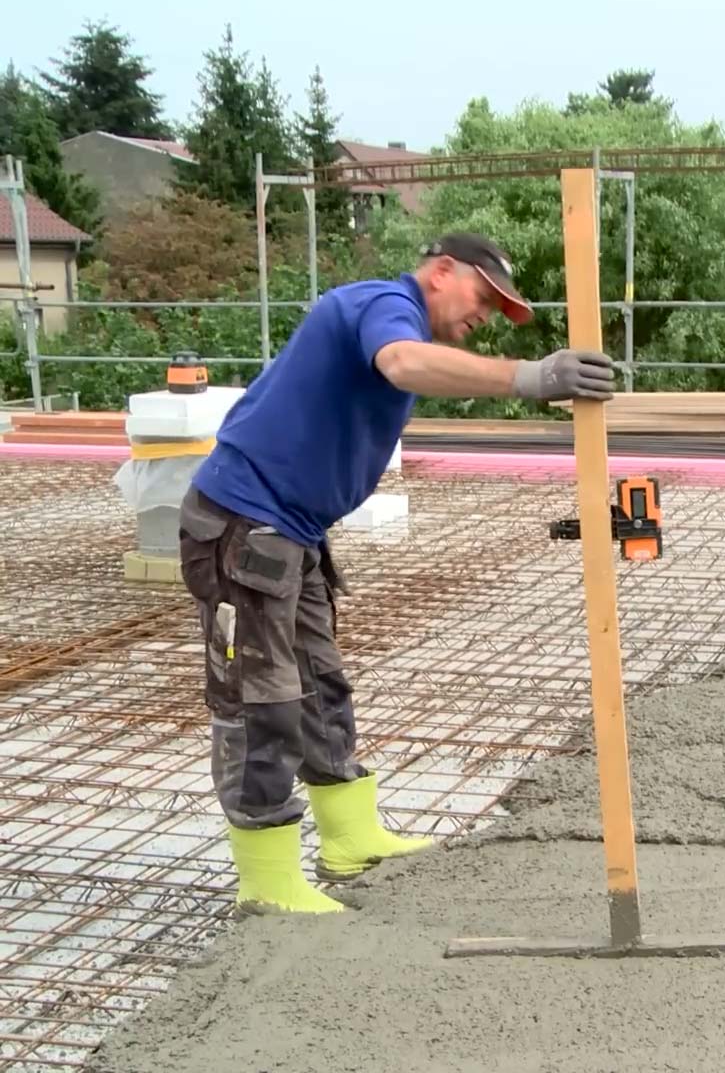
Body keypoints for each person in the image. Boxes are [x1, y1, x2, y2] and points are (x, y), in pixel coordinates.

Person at [179, 233, 616, 915]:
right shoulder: (384, 304)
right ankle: (267, 883)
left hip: (291, 530)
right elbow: (403, 362)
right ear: (441, 271)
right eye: (483, 296)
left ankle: (348, 837)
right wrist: (527, 377)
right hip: (243, 523)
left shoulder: (394, 313)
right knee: (262, 702)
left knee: (319, 686)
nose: (487, 316)